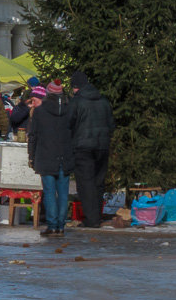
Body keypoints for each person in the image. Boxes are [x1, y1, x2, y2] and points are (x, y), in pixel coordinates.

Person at [28, 79, 74, 237]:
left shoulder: (40, 111)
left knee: (49, 192)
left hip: (46, 155)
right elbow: (74, 134)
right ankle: (61, 226)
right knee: (63, 192)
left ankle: (52, 225)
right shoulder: (69, 110)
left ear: (48, 94)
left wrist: (31, 156)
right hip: (65, 156)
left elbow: (33, 136)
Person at [67, 71, 114, 228]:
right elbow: (111, 125)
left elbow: (68, 123)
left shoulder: (76, 101)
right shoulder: (104, 101)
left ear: (76, 87)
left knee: (85, 183)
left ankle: (92, 219)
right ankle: (97, 216)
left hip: (82, 148)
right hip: (102, 146)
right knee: (98, 182)